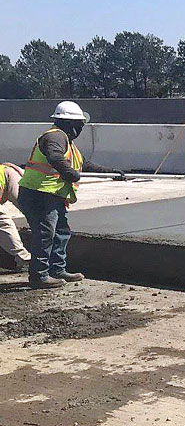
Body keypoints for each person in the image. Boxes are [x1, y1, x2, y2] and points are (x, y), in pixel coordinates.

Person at [15, 101, 120, 289]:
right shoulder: (55, 137)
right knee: (45, 233)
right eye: (80, 123)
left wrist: (111, 172)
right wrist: (69, 174)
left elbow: (83, 164)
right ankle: (39, 275)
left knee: (61, 232)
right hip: (38, 194)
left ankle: (57, 269)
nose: (81, 127)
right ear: (70, 123)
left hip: (53, 195)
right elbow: (55, 157)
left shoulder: (68, 143)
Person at [0, 161, 32, 274]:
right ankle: (24, 258)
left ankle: (23, 258)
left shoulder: (7, 172)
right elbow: (24, 204)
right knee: (3, 223)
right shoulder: (12, 175)